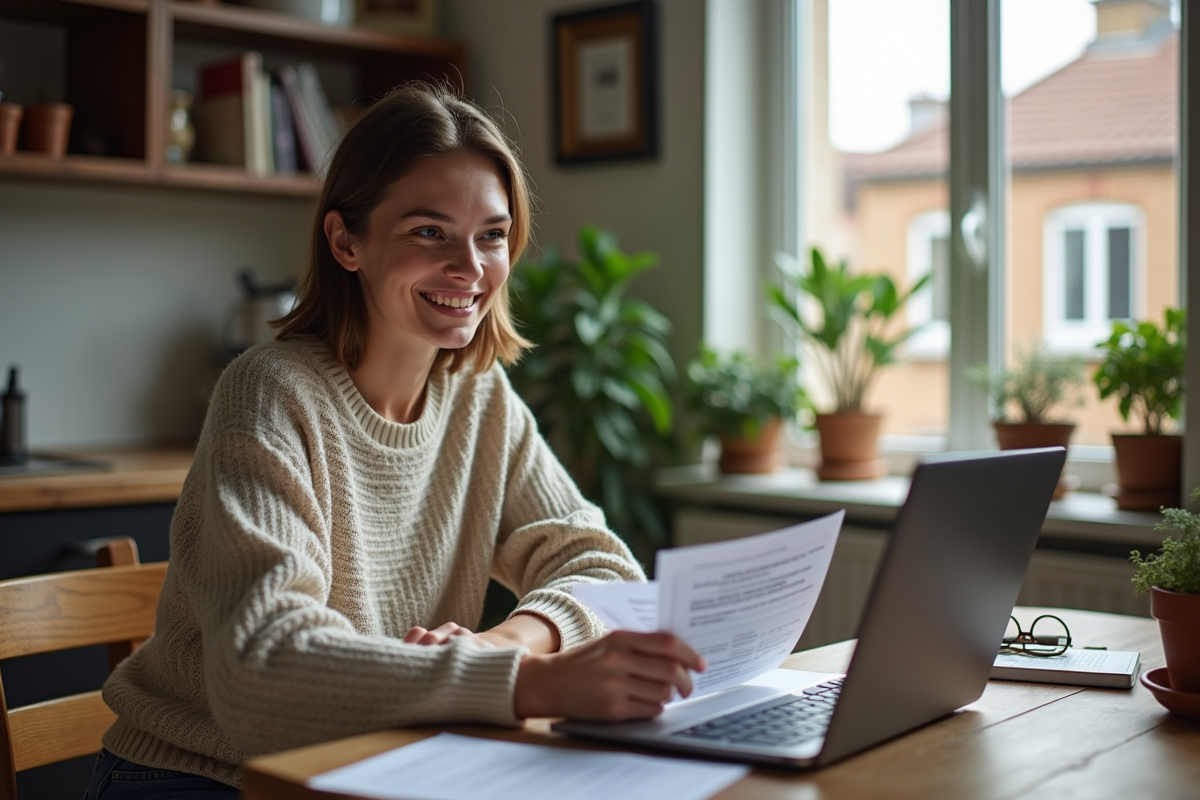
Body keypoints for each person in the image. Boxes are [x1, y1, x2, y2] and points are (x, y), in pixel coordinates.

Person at [84, 82, 703, 799]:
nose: (471, 268)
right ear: (347, 241)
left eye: (492, 235)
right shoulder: (270, 393)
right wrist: (527, 683)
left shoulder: (479, 396)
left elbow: (604, 568)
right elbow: (263, 672)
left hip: (378, 761)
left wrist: (510, 641)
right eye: (428, 231)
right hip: (203, 777)